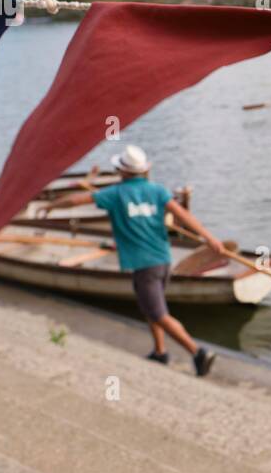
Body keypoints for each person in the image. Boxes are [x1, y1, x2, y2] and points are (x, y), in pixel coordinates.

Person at [38, 145, 221, 376]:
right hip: (163, 259)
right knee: (152, 307)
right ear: (144, 170)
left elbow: (77, 200)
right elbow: (185, 216)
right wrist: (211, 239)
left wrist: (51, 205)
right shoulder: (157, 191)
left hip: (143, 264)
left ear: (122, 171)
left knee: (157, 313)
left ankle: (198, 352)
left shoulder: (115, 194)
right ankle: (160, 351)